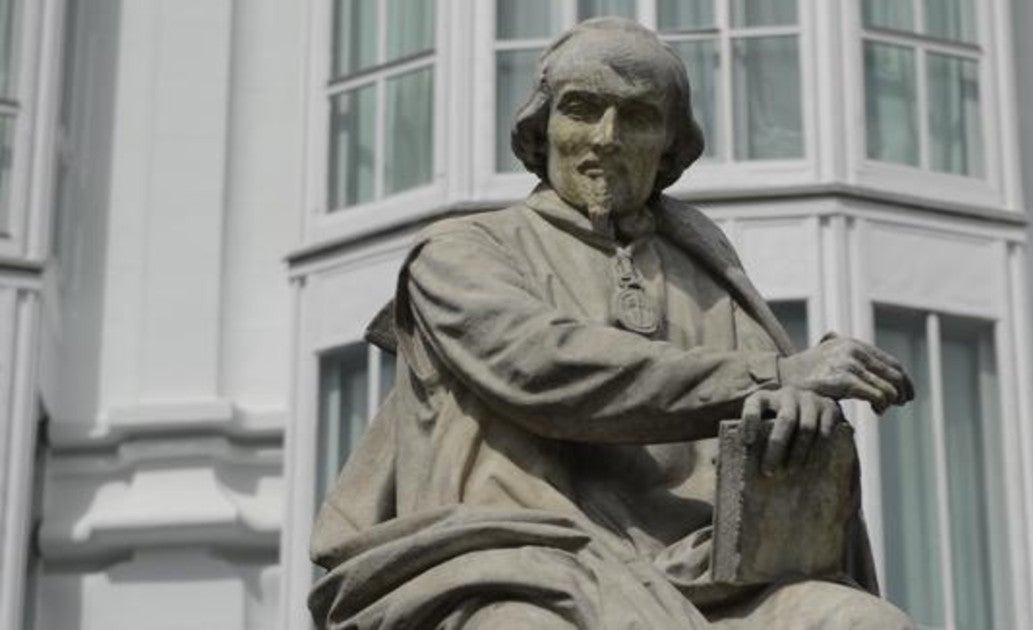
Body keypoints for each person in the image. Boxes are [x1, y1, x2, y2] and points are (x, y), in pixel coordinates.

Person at [309, 17, 916, 629]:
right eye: (581, 109)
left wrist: (798, 417)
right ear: (541, 130)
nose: (606, 137)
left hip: (701, 576)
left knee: (862, 622)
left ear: (670, 149)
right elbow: (540, 365)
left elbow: (771, 415)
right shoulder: (461, 251)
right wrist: (775, 377)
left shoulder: (708, 274)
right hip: (512, 561)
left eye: (639, 117)